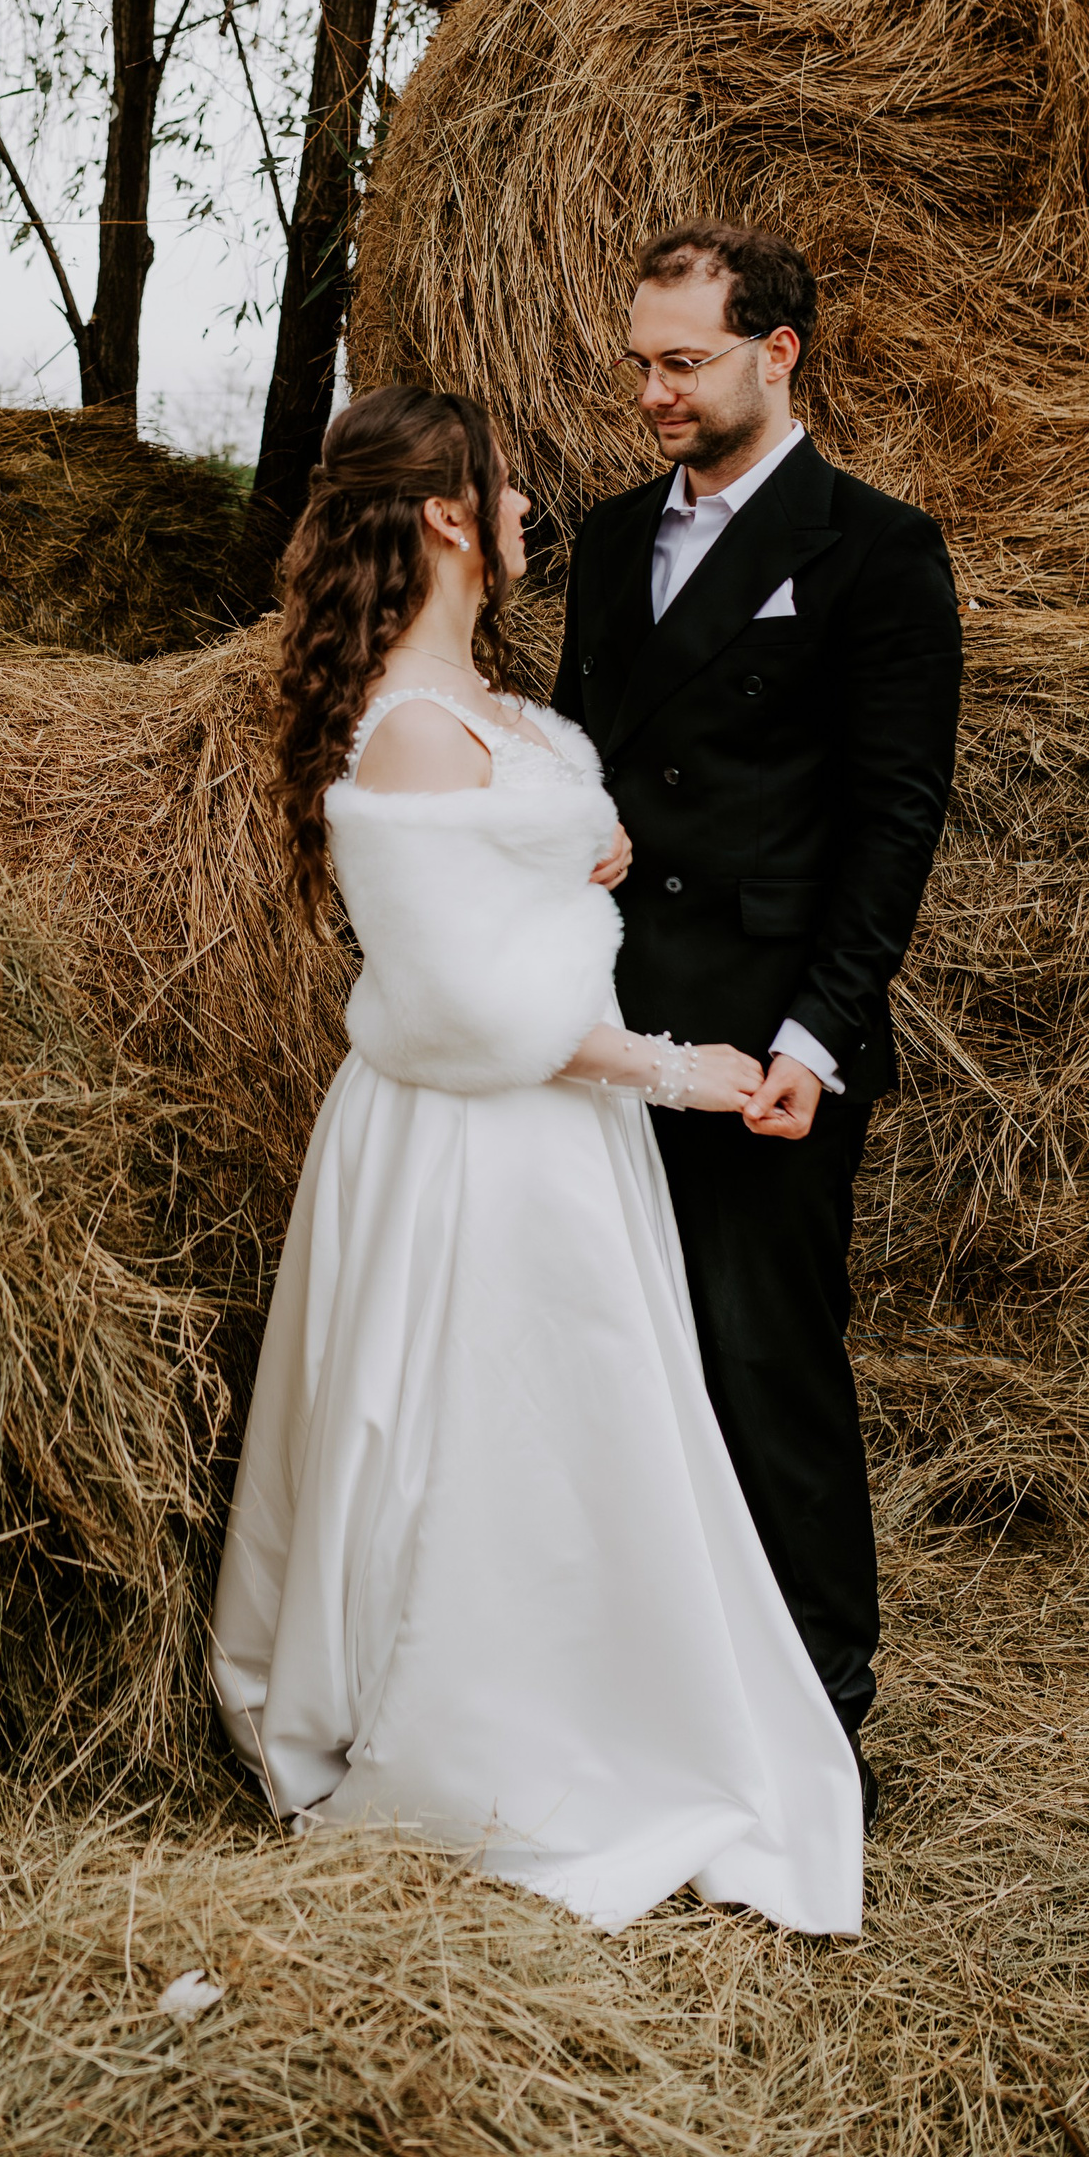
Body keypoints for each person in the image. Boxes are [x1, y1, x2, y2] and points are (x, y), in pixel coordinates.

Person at [211, 384, 863, 1936]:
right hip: (474, 1142)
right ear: (446, 515)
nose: (523, 511)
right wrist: (677, 1071)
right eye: (501, 490)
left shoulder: (485, 707)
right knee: (478, 1434)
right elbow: (463, 1003)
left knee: (584, 1431)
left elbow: (524, 898)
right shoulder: (414, 730)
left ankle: (608, 1687)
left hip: (551, 1135)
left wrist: (588, 857)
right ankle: (489, 1737)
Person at [553, 221, 962, 1826]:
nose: (655, 391)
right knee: (621, 1352)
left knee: (761, 1358)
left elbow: (893, 822)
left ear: (776, 352)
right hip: (612, 1026)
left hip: (766, 1041)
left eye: (686, 362)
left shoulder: (876, 550)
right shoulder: (607, 539)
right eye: (641, 364)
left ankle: (822, 1716)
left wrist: (816, 1040)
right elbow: (584, 756)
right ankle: (656, 1697)